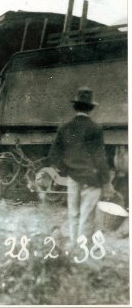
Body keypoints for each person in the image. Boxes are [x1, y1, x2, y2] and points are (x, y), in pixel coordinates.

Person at [49, 87, 112, 246]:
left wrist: (67, 170)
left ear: (75, 107)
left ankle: (74, 248)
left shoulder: (64, 127)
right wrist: (106, 181)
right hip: (91, 180)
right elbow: (100, 158)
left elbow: (53, 155)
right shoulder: (95, 128)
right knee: (86, 216)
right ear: (90, 108)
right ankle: (82, 251)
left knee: (73, 214)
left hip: (72, 178)